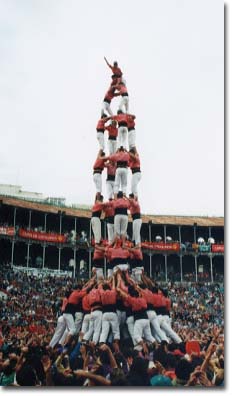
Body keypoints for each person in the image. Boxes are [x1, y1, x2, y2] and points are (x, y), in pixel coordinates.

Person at [99, 277, 120, 345]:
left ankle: (102, 346)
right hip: (113, 313)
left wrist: (101, 281)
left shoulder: (102, 293)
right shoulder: (113, 292)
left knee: (104, 332)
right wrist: (113, 278)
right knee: (116, 331)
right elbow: (114, 285)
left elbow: (99, 287)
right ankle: (116, 347)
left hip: (105, 314)